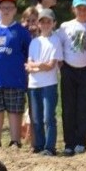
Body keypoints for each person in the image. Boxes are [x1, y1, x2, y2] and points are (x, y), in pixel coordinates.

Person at [0, 0, 31, 150]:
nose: (6, 10)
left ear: (15, 10)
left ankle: (15, 141)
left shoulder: (21, 31)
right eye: (3, 8)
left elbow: (27, 52)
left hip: (15, 78)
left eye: (10, 8)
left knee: (14, 110)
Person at [57, 0, 86, 155]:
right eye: (79, 8)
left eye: (85, 8)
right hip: (68, 69)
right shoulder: (65, 27)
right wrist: (62, 65)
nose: (82, 11)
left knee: (84, 106)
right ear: (73, 9)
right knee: (68, 107)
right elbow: (58, 46)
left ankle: (81, 142)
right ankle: (69, 143)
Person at [25, 8, 62, 156]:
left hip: (49, 84)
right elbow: (29, 64)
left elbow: (50, 65)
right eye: (43, 22)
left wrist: (37, 66)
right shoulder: (34, 42)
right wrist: (39, 65)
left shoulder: (56, 40)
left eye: (49, 22)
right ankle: (39, 145)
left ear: (54, 23)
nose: (46, 25)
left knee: (48, 117)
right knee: (36, 118)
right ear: (39, 24)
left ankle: (49, 146)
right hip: (33, 84)